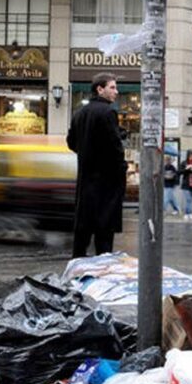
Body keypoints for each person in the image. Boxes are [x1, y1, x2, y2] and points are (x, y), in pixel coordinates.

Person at [66, 73, 126, 258]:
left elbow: (71, 142)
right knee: (104, 234)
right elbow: (115, 147)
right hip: (106, 183)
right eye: (112, 87)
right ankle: (101, 274)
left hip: (86, 181)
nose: (116, 91)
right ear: (100, 89)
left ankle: (76, 271)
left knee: (82, 234)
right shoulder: (108, 112)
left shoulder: (79, 113)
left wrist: (86, 154)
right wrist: (121, 167)